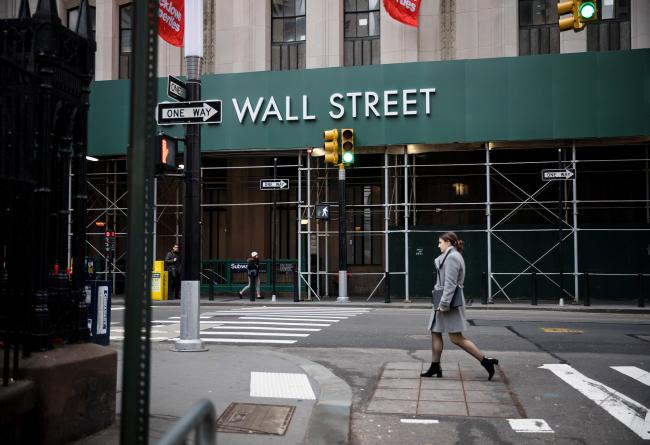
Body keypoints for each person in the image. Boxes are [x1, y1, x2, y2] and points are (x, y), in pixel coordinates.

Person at [422, 232, 499, 380]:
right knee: (435, 331)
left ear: (448, 242)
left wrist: (444, 304)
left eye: (440, 242)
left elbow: (451, 284)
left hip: (448, 301)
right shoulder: (452, 256)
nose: (438, 245)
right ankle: (434, 366)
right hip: (444, 299)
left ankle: (486, 361)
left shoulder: (452, 257)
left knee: (456, 338)